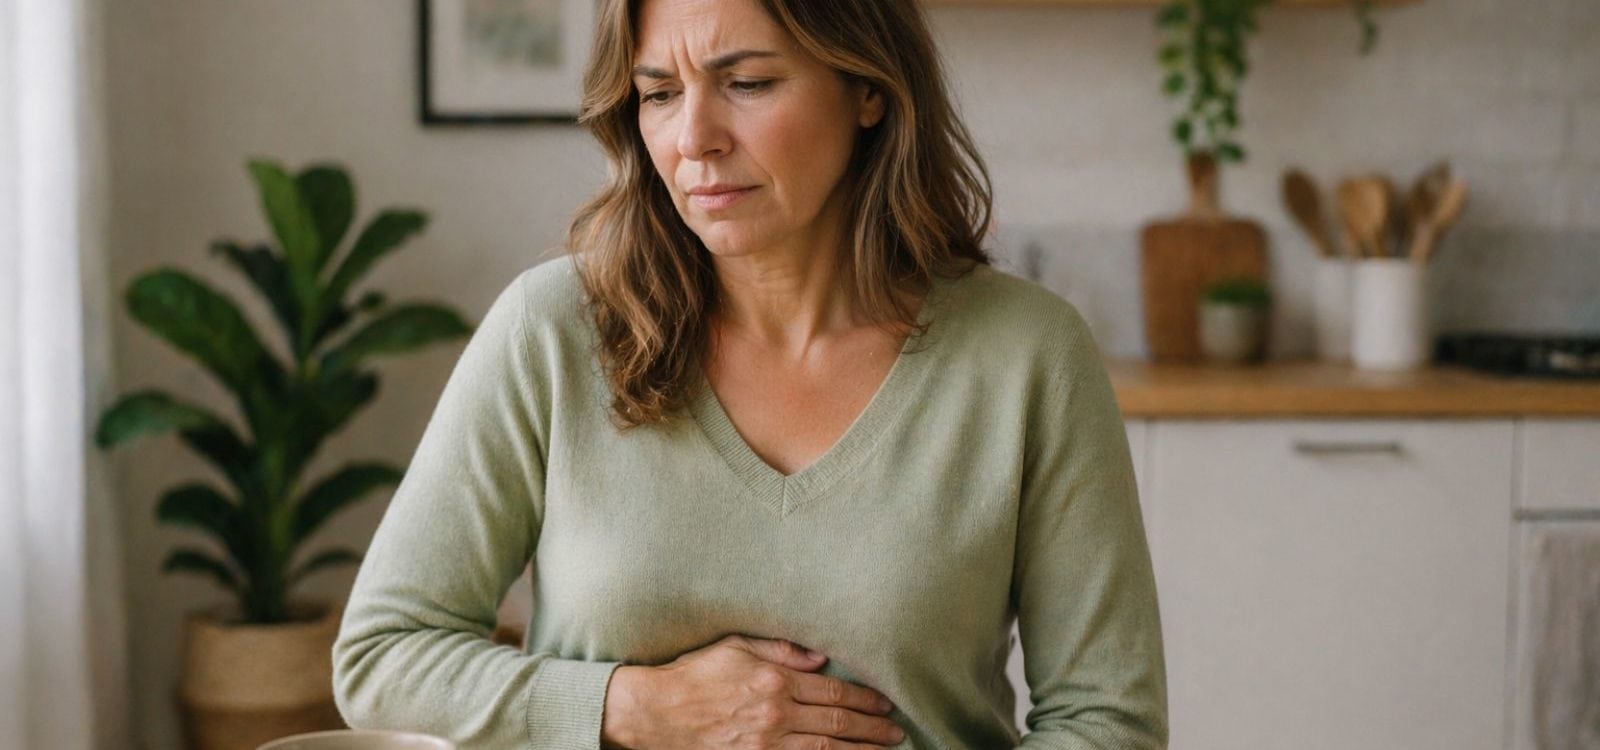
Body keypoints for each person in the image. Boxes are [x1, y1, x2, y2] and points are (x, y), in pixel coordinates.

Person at [331, 0, 1168, 747]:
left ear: (868, 90)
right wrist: (635, 707)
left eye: (749, 83)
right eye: (659, 94)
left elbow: (1108, 722)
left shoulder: (1029, 355)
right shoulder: (552, 332)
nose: (694, 138)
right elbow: (382, 658)